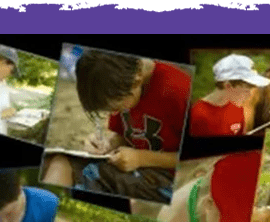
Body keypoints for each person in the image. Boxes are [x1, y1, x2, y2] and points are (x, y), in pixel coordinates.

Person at [41, 50, 192, 203]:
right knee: (58, 161)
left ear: (137, 78)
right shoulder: (118, 83)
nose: (114, 112)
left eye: (117, 107)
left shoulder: (179, 91)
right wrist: (108, 144)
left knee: (83, 173)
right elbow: (123, 135)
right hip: (135, 167)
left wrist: (140, 158)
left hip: (168, 179)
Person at [190, 54, 270, 137]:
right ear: (228, 85)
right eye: (246, 89)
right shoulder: (197, 114)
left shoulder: (237, 111)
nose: (250, 94)